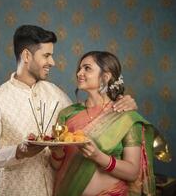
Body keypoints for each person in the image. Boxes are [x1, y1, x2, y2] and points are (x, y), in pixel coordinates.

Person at [0, 25, 137, 196]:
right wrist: (18, 152)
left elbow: (88, 116)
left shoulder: (56, 94)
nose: (52, 62)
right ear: (26, 56)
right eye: (46, 56)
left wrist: (123, 102)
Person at [51, 51, 155, 196]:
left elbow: (132, 172)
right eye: (79, 68)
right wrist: (56, 152)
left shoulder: (125, 117)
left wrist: (98, 156)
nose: (79, 73)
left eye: (87, 68)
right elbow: (55, 165)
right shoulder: (67, 114)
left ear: (105, 77)